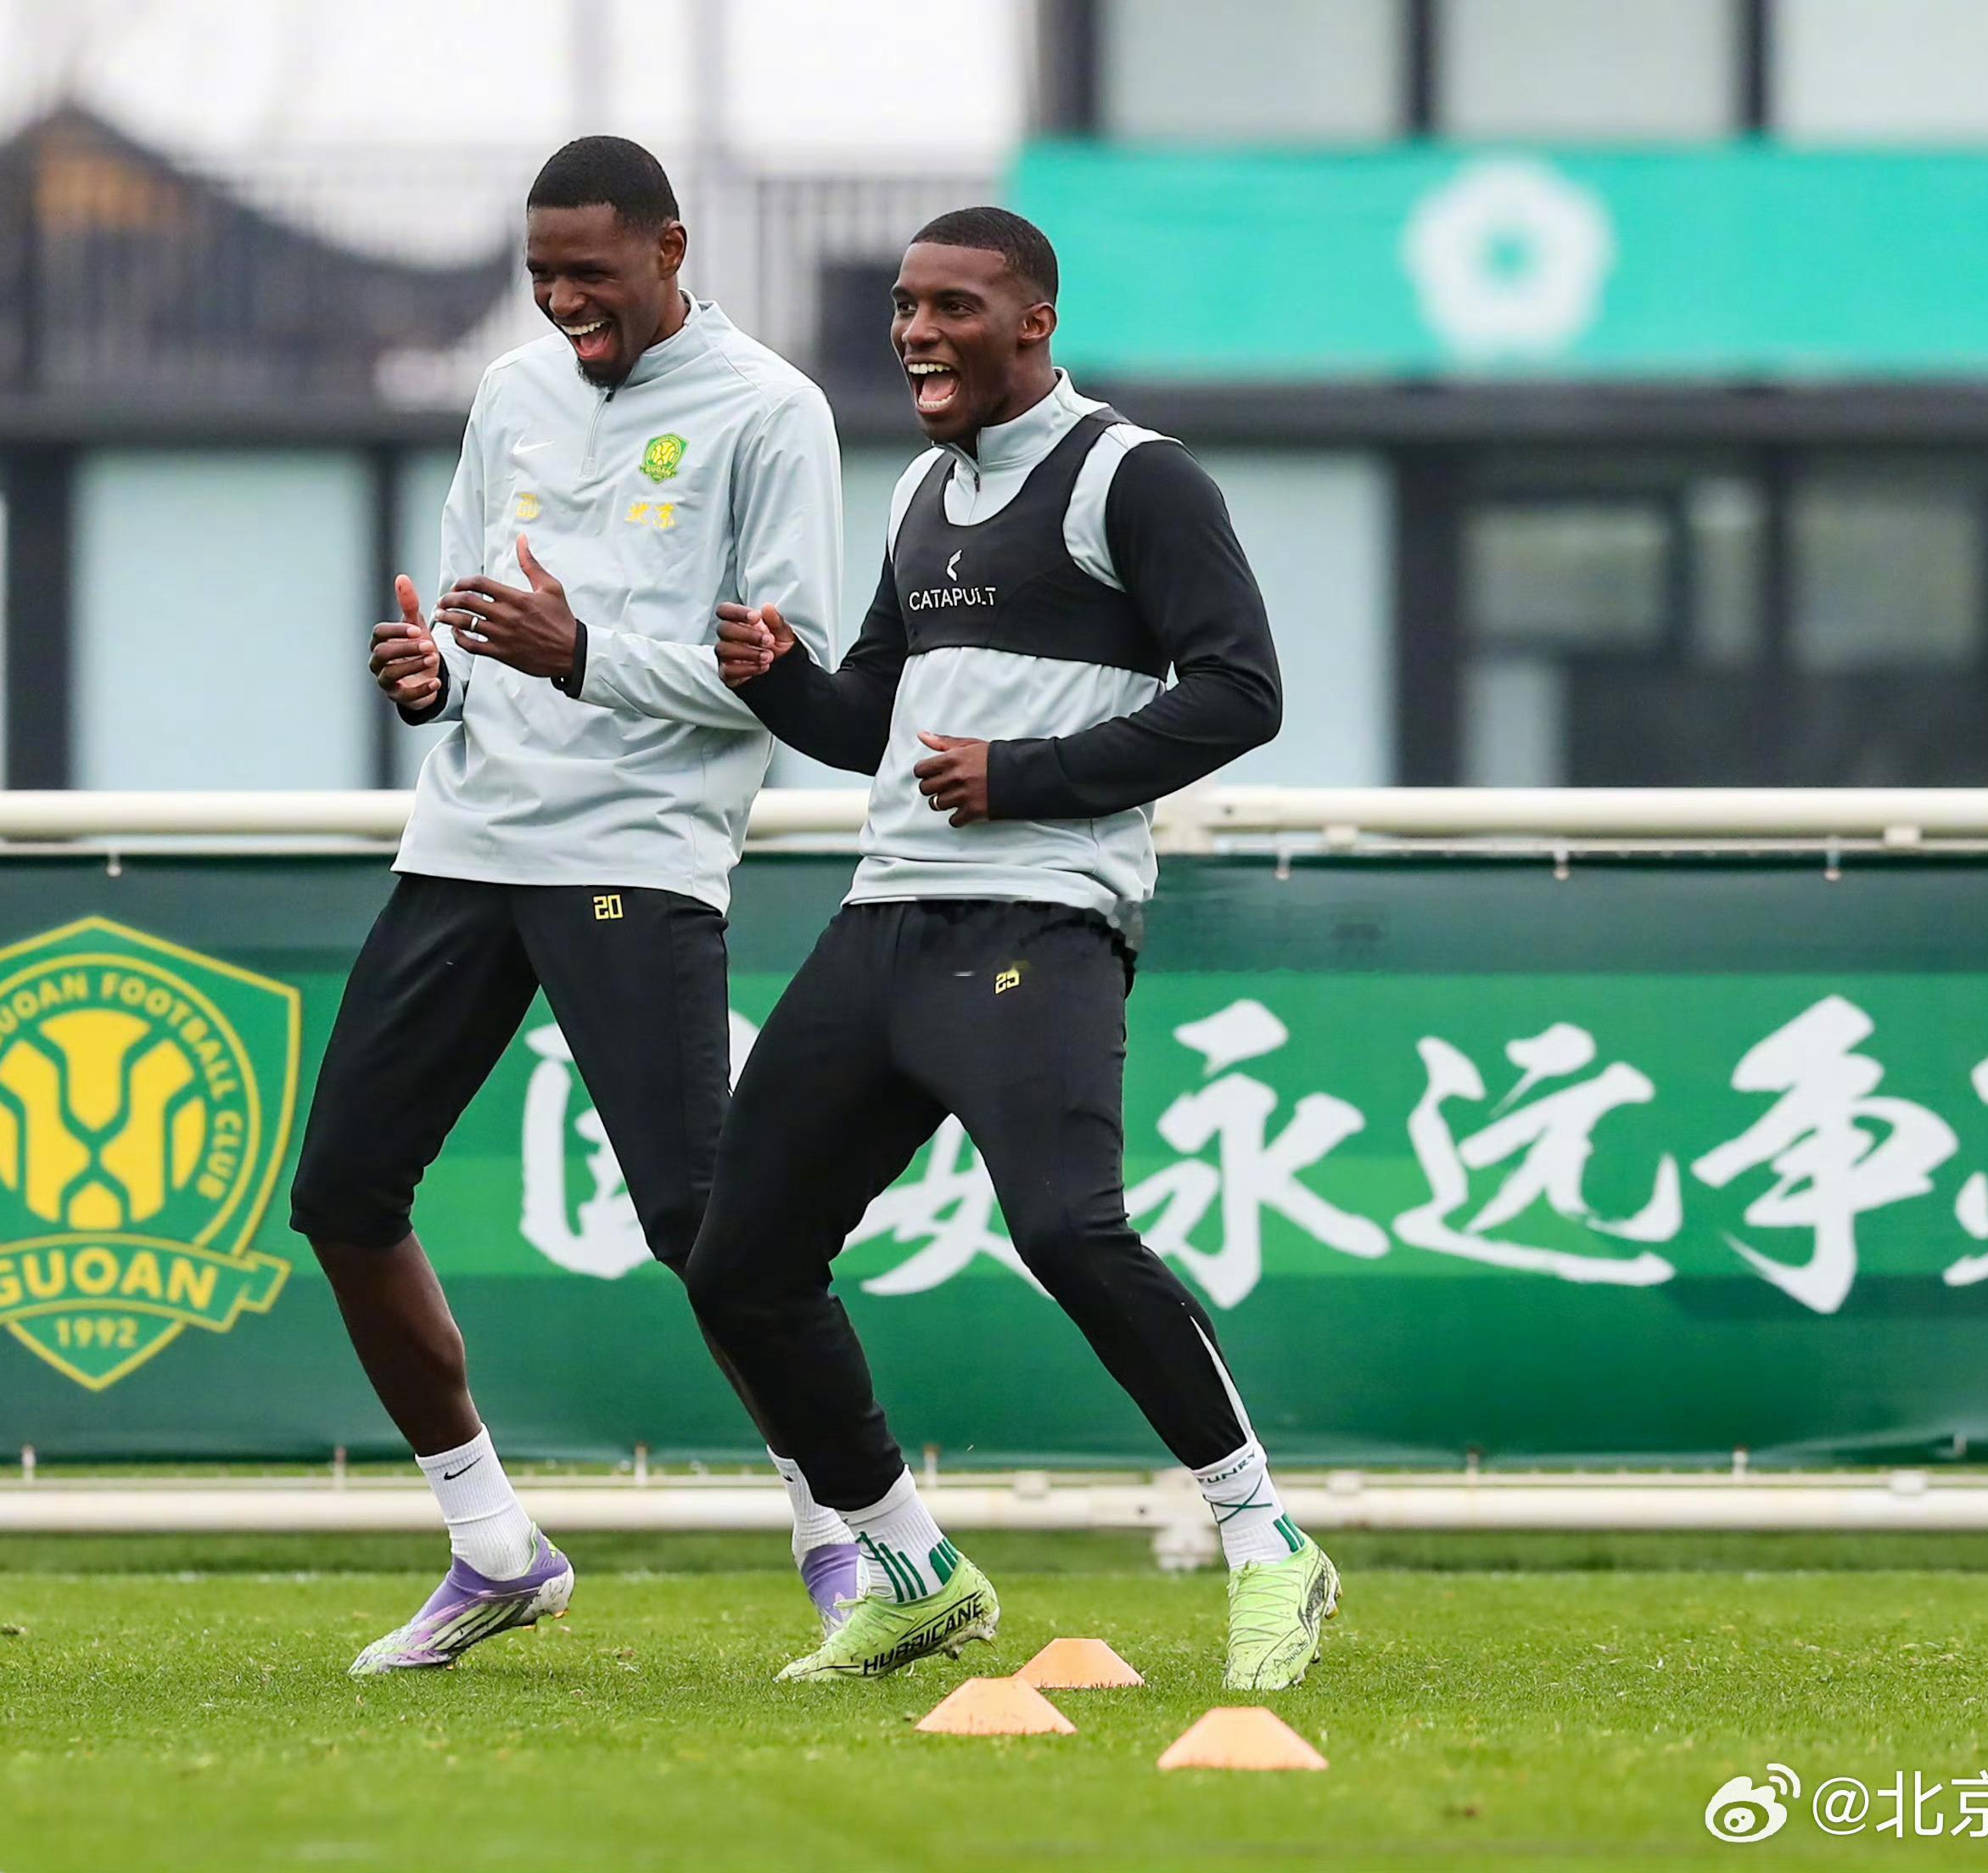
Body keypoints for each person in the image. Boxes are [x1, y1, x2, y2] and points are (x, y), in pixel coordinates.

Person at [692, 207, 1338, 1691]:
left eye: (952, 307)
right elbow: (871, 721)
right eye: (904, 306)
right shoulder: (921, 489)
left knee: (1065, 1231)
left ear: (1033, 322)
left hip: (1041, 915)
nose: (916, 331)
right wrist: (779, 679)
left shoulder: (1135, 476)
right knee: (740, 1264)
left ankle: (1266, 1543)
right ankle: (912, 1570)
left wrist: (1027, 777)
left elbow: (1241, 692)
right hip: (886, 916)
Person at [287, 137, 854, 1675]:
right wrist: (436, 679)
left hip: (634, 852)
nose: (560, 301)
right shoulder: (510, 393)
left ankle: (847, 1528)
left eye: (588, 273)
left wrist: (581, 654)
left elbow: (794, 675)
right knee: (342, 1193)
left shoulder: (771, 410)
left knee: (706, 1229)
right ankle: (490, 1543)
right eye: (540, 274)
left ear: (670, 250)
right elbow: (473, 624)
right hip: (468, 838)